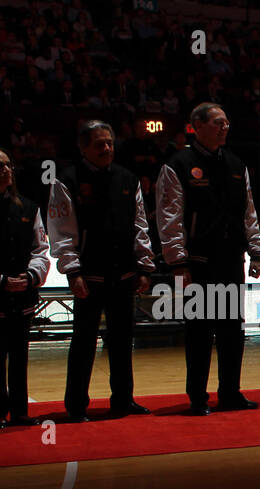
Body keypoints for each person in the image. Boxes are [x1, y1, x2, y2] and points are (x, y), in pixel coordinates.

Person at [156, 102, 260, 415]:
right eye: (218, 123)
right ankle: (198, 398)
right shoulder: (178, 164)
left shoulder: (235, 163)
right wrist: (177, 262)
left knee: (232, 331)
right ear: (197, 126)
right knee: (200, 332)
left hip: (231, 260)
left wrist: (255, 250)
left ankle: (230, 393)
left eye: (227, 122)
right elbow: (170, 218)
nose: (225, 127)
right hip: (197, 263)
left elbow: (249, 212)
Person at [48, 120, 155, 421]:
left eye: (109, 142)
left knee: (123, 341)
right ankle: (76, 405)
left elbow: (140, 227)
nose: (107, 148)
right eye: (99, 144)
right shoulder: (66, 181)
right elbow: (61, 231)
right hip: (88, 276)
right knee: (83, 342)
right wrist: (72, 272)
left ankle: (123, 399)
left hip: (124, 273)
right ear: (83, 147)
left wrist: (144, 265)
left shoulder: (128, 179)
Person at [0, 148, 51, 428]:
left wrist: (31, 276)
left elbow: (41, 249)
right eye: (0, 166)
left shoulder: (29, 208)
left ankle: (20, 412)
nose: (6, 170)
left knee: (20, 357)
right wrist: (2, 281)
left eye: (8, 165)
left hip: (23, 295)